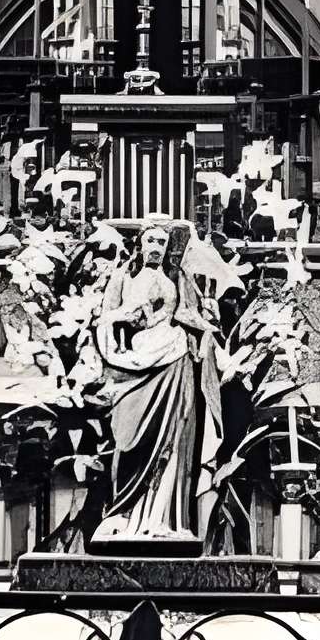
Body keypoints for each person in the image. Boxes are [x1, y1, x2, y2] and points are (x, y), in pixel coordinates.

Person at [92, 223, 219, 544]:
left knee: (173, 442)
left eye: (162, 241)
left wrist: (209, 323)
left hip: (174, 360)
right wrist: (122, 328)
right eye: (150, 239)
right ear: (140, 242)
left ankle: (164, 519)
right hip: (132, 366)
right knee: (127, 440)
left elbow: (190, 316)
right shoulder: (123, 276)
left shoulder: (178, 278)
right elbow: (105, 320)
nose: (156, 246)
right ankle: (121, 514)